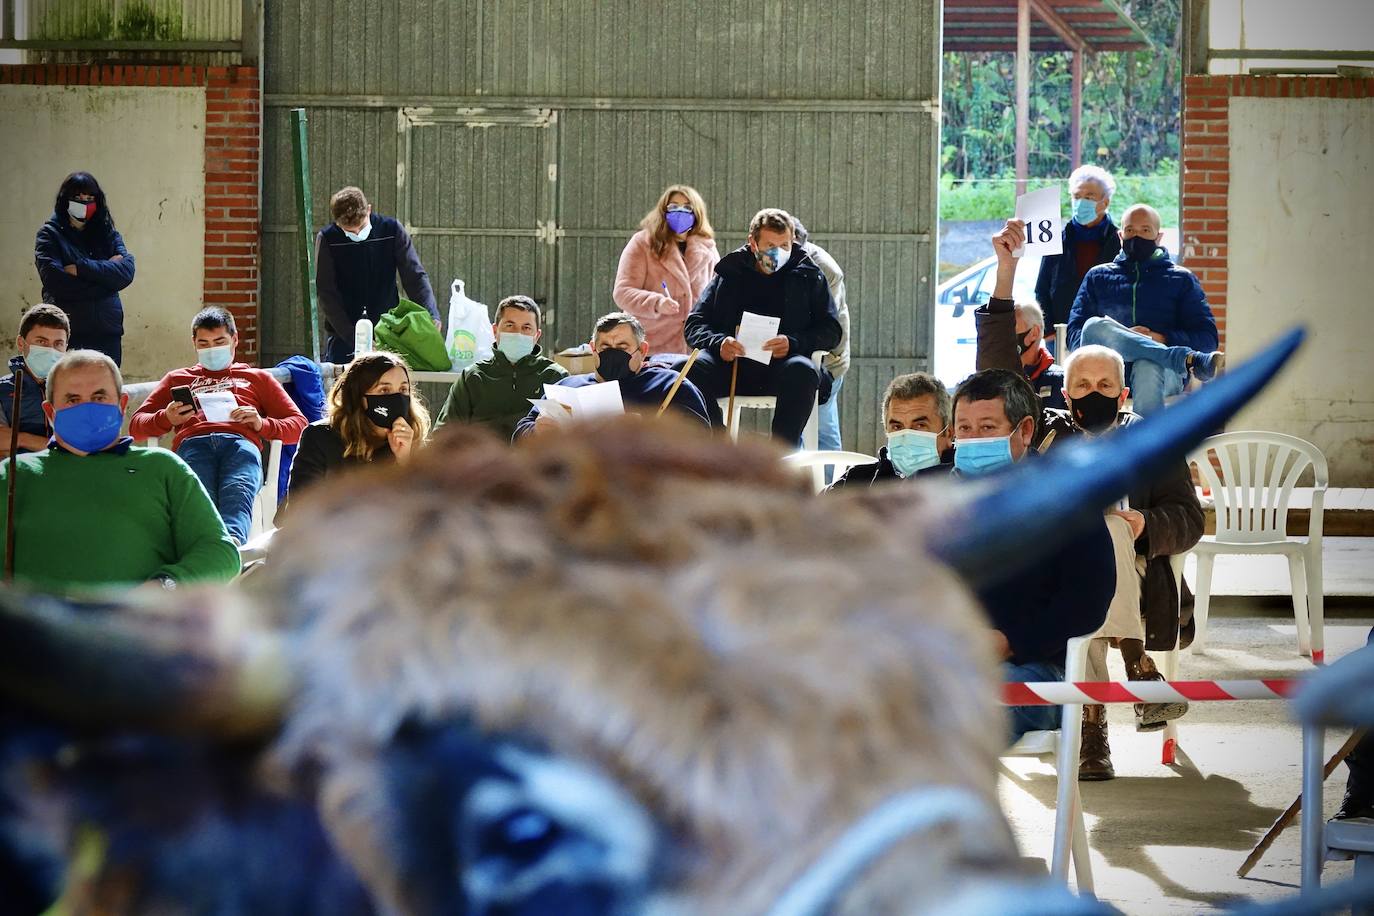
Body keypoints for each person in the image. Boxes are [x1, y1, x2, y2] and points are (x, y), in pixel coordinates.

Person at [986, 219, 1205, 775]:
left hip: (1141, 575)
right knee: (1091, 538)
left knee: (1108, 530)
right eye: (1082, 386)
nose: (1093, 394)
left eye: (1105, 386)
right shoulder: (1046, 436)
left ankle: (1091, 727)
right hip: (1063, 579)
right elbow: (998, 373)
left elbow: (1189, 517)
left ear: (1124, 393)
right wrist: (1007, 274)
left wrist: (1147, 525)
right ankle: (1138, 666)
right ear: (1064, 394)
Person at [950, 368, 1116, 745]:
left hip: (1032, 671)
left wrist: (1009, 641)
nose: (973, 440)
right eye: (964, 429)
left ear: (1024, 431)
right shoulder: (935, 496)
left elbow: (1088, 602)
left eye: (987, 428)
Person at [0, 350, 239, 591]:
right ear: (50, 412)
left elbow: (220, 552)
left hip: (139, 615)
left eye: (99, 397)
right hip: (37, 615)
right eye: (72, 400)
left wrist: (164, 587)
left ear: (122, 405)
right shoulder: (14, 475)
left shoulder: (163, 468)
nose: (88, 409)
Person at [129, 308, 307, 544]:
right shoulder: (177, 378)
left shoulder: (257, 378)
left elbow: (299, 426)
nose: (212, 349)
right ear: (194, 343)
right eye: (204, 343)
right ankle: (207, 547)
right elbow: (136, 426)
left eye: (219, 342)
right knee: (199, 491)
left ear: (234, 340)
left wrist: (261, 424)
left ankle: (230, 543)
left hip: (240, 444)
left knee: (238, 487)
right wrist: (166, 418)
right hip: (194, 444)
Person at [684, 208, 842, 442]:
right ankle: (718, 445)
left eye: (785, 245)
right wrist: (719, 342)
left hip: (783, 367)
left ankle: (780, 454)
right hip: (730, 365)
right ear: (753, 243)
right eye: (770, 245)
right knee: (690, 369)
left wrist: (794, 343)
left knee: (804, 371)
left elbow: (831, 330)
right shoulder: (730, 272)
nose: (778, 252)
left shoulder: (809, 275)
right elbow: (694, 323)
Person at [1066, 203, 1224, 415]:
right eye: (1130, 230)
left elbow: (1207, 339)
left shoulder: (1182, 279)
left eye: (1145, 230)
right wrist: (1120, 339)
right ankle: (1185, 358)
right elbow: (1075, 335)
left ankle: (1145, 436)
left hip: (1163, 373)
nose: (1136, 236)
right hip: (1106, 370)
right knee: (1093, 325)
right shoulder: (1097, 277)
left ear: (1158, 237)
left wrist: (1161, 338)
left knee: (1147, 364)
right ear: (1120, 236)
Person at [513, 312, 710, 440]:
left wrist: (647, 430)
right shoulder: (567, 387)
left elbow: (700, 438)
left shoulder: (670, 385)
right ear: (593, 349)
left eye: (622, 347)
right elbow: (520, 434)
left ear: (642, 350)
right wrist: (536, 431)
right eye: (605, 347)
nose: (613, 353)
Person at [314, 186, 441, 363]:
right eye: (349, 231)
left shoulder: (391, 230)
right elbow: (326, 293)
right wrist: (354, 337)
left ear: (369, 210)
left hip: (387, 329)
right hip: (344, 334)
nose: (357, 233)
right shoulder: (328, 239)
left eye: (361, 226)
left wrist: (430, 314)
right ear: (337, 223)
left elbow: (414, 276)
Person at [288, 351, 430, 497]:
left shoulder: (412, 441)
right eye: (384, 390)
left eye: (403, 390)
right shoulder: (321, 438)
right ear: (359, 396)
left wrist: (404, 462)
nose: (397, 398)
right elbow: (299, 504)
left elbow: (428, 506)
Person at [33, 171, 135, 365]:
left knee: (106, 384)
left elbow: (126, 272)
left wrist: (81, 268)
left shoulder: (107, 233)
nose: (85, 204)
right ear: (65, 200)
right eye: (78, 198)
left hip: (107, 332)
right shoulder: (49, 235)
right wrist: (107, 282)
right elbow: (56, 283)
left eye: (90, 199)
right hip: (67, 333)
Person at [434, 295, 567, 441]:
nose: (518, 334)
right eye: (510, 326)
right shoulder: (473, 378)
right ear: (495, 330)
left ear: (537, 335)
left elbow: (573, 437)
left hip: (535, 455)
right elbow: (443, 435)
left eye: (526, 328)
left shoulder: (555, 378)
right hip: (481, 455)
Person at [612, 184, 720, 356]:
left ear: (697, 212)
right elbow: (622, 292)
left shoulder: (708, 248)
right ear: (663, 211)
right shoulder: (643, 243)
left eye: (687, 207)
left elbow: (717, 294)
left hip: (694, 348)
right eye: (674, 206)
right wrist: (656, 303)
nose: (680, 212)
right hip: (651, 345)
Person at [1034, 165, 1121, 348]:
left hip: (1107, 335)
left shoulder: (1119, 241)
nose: (1081, 203)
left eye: (1089, 197)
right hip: (1060, 334)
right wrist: (1048, 332)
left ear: (1105, 203)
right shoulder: (1056, 239)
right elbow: (1042, 288)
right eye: (1076, 196)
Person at [826, 373, 950, 489]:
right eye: (897, 427)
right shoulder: (858, 481)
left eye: (920, 426)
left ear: (949, 432)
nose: (907, 438)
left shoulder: (959, 486)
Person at [793, 218, 851, 457]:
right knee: (795, 426)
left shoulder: (825, 269)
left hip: (827, 360)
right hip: (793, 360)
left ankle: (831, 479)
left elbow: (827, 324)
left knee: (823, 428)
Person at [1, 305, 70, 456]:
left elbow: (84, 445)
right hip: (19, 470)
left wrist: (21, 439)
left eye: (58, 343)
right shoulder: (2, 390)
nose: (50, 350)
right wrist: (61, 448)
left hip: (69, 470)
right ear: (21, 343)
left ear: (66, 347)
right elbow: (1, 441)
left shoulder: (77, 389)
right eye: (41, 342)